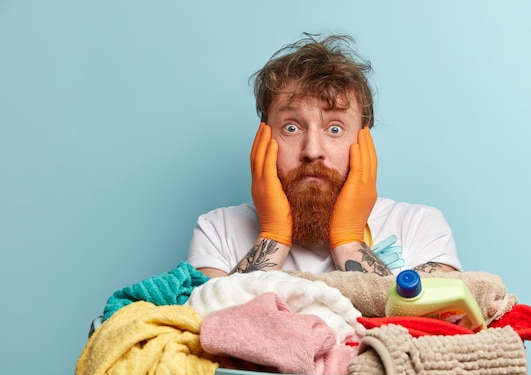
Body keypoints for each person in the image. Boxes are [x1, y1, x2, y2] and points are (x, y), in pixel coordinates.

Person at [187, 33, 461, 278]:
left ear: (364, 141)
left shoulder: (420, 225)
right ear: (263, 140)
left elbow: (430, 327)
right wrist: (273, 237)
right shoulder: (217, 229)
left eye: (334, 128)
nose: (312, 151)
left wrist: (349, 241)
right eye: (291, 128)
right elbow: (208, 327)